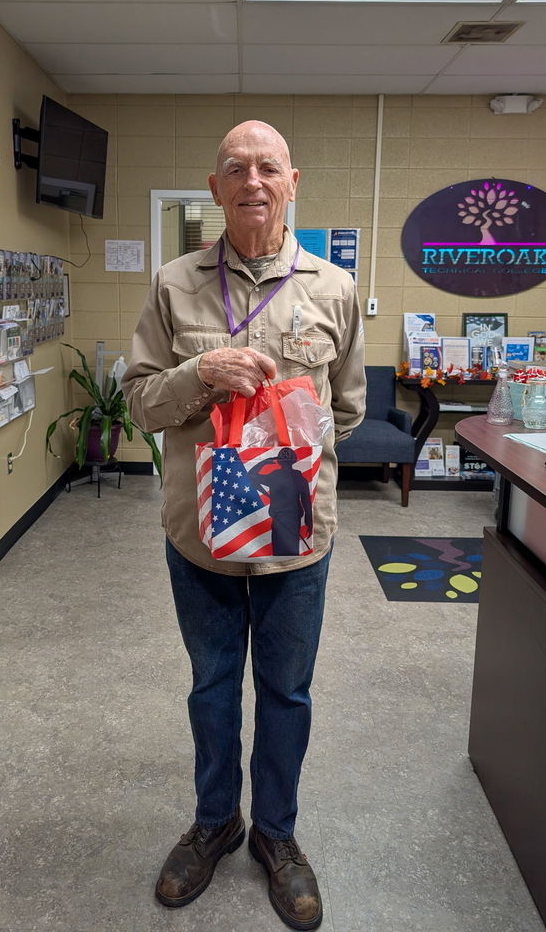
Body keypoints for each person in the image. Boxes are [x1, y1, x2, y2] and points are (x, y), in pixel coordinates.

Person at [122, 120, 366, 931]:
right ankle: (213, 821)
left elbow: (349, 411)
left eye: (267, 168)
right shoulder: (172, 284)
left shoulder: (331, 288)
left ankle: (277, 836)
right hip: (201, 533)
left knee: (286, 692)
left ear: (291, 181)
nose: (252, 181)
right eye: (236, 169)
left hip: (298, 537)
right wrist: (201, 374)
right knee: (212, 686)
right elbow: (139, 402)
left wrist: (284, 452)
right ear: (215, 186)